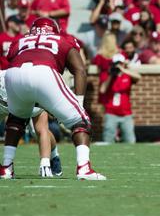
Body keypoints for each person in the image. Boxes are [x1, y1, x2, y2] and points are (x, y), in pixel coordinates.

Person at [0, 17, 106, 180]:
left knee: (16, 119)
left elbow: (12, 58)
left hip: (13, 74)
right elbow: (80, 70)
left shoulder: (20, 40)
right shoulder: (63, 39)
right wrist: (78, 103)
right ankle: (84, 168)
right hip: (44, 72)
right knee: (81, 120)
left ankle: (6, 168)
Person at [0, 70, 62, 177]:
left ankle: (52, 158)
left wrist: (45, 162)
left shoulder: (34, 82)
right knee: (14, 126)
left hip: (27, 90)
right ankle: (7, 165)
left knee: (37, 129)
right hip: (4, 93)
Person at [99, 53, 141, 143]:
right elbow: (102, 90)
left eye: (120, 63)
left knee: (130, 140)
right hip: (111, 113)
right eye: (116, 63)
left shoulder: (127, 75)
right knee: (108, 140)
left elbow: (138, 77)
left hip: (126, 114)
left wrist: (123, 70)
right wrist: (111, 75)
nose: (118, 65)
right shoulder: (109, 75)